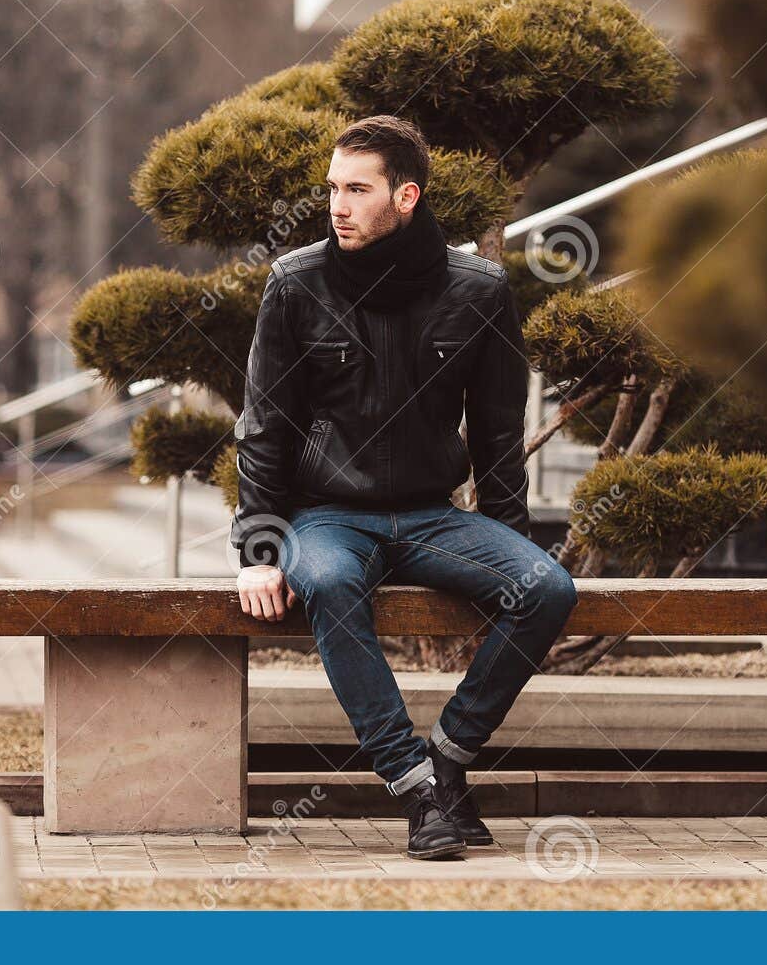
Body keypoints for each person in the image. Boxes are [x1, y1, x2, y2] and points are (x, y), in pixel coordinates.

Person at [230, 114, 579, 859]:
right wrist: (259, 545)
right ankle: (417, 786)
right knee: (325, 580)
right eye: (332, 188)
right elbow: (264, 424)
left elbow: (496, 433)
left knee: (545, 585)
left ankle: (450, 757)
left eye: (358, 189)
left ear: (407, 195)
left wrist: (507, 541)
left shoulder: (478, 289)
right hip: (326, 515)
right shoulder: (296, 283)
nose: (337, 206)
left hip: (429, 514)